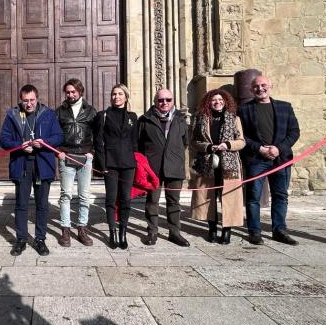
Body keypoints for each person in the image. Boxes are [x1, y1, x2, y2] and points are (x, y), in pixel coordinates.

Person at [0, 84, 64, 257]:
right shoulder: (12, 115)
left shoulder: (49, 114)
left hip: (43, 164)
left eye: (32, 100)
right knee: (21, 205)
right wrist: (19, 146)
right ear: (21, 100)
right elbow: (3, 140)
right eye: (25, 101)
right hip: (22, 164)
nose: (29, 104)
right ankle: (21, 240)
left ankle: (40, 239)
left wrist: (44, 142)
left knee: (42, 205)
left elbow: (59, 136)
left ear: (37, 98)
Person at [238, 75, 300, 245]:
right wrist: (260, 148)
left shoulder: (284, 107)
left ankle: (279, 229)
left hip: (281, 158)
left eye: (263, 85)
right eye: (256, 86)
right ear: (251, 90)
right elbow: (241, 135)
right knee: (253, 196)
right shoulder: (244, 110)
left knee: (280, 195)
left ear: (270, 86)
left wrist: (278, 148)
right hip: (256, 159)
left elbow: (294, 132)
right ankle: (254, 231)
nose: (260, 89)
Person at [189, 89, 246, 244]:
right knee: (208, 197)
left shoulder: (234, 119)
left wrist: (227, 145)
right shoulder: (200, 119)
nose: (218, 102)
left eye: (221, 99)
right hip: (207, 163)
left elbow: (241, 141)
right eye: (214, 100)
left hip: (229, 164)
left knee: (229, 198)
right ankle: (212, 229)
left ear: (226, 101)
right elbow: (193, 141)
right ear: (209, 102)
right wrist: (207, 146)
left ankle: (227, 231)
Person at [137, 88, 190, 247]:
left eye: (168, 99)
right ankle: (152, 231)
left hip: (174, 166)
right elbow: (139, 144)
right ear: (155, 102)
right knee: (152, 201)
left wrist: (174, 155)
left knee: (174, 201)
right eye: (161, 100)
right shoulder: (145, 119)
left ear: (173, 101)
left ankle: (175, 233)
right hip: (153, 168)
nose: (164, 103)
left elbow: (185, 142)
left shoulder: (181, 119)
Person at [95, 84, 138, 250]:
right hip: (110, 164)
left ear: (126, 97)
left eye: (120, 94)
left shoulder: (133, 117)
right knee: (111, 199)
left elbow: (135, 142)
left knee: (126, 198)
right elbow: (98, 142)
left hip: (128, 164)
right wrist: (102, 164)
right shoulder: (103, 115)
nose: (116, 97)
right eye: (114, 94)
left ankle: (123, 232)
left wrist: (137, 162)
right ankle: (112, 232)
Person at [55, 78, 97, 247]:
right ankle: (65, 230)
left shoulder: (91, 111)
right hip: (67, 157)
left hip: (85, 159)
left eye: (73, 91)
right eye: (68, 92)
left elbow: (97, 134)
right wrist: (59, 151)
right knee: (66, 195)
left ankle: (82, 228)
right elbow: (54, 133)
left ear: (80, 92)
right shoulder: (60, 111)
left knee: (84, 196)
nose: (70, 95)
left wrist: (92, 153)